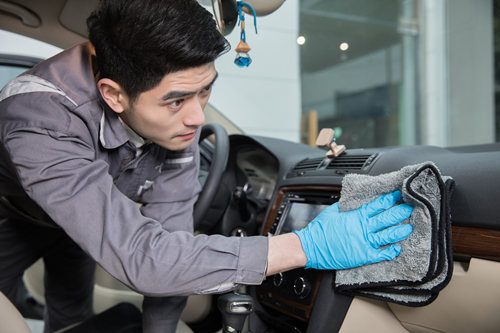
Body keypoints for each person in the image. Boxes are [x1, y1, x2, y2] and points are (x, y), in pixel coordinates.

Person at [0, 0, 414, 332]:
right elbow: (147, 260)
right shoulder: (41, 120)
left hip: (86, 211)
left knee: (70, 310)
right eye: (177, 100)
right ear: (113, 95)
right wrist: (302, 247)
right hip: (12, 216)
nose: (198, 118)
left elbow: (171, 243)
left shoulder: (177, 122)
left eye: (206, 90)